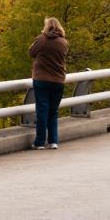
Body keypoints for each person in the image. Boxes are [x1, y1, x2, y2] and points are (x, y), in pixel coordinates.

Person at [29, 17, 69, 150]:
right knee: (53, 111)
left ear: (46, 26)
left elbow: (32, 53)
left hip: (41, 79)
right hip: (58, 80)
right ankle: (53, 141)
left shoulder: (41, 39)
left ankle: (40, 142)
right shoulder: (63, 42)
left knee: (42, 110)